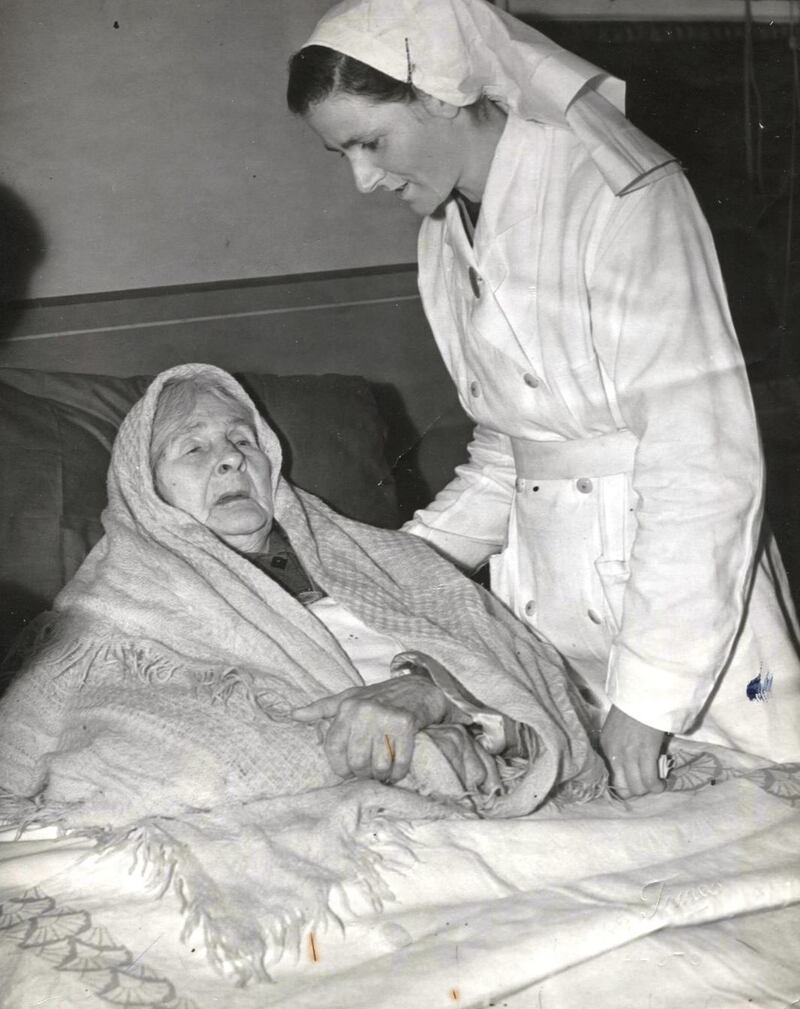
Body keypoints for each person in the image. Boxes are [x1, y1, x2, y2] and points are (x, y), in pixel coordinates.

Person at [286, 0, 800, 797]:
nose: (362, 180)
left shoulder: (620, 195)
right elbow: (512, 452)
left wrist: (651, 690)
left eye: (370, 141)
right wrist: (382, 571)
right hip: (551, 615)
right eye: (340, 152)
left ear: (445, 93)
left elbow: (704, 456)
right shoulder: (444, 234)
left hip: (681, 625)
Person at [0, 364, 604, 977]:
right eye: (193, 447)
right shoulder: (107, 620)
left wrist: (437, 696)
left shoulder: (389, 560)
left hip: (501, 810)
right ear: (144, 487)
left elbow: (543, 697)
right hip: (302, 865)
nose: (232, 460)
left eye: (243, 440)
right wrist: (415, 752)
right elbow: (131, 766)